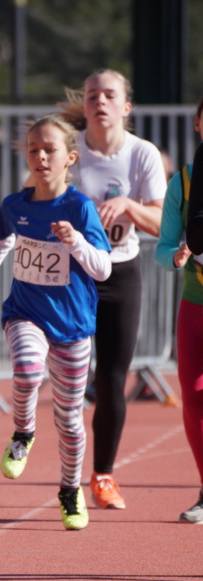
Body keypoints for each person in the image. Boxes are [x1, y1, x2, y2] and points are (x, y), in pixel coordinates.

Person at [0, 115, 111, 530]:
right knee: (28, 370)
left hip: (72, 324)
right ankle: (23, 433)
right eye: (33, 150)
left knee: (70, 420)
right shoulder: (15, 206)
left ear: (70, 158)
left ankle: (70, 490)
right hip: (25, 312)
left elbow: (103, 269)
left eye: (50, 149)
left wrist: (76, 241)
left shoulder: (79, 208)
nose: (41, 157)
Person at [58, 69, 167, 510]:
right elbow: (36, 196)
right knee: (66, 375)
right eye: (92, 95)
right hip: (72, 275)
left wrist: (128, 205)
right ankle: (49, 456)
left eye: (109, 95)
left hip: (120, 273)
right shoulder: (68, 152)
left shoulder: (142, 154)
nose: (99, 101)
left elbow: (162, 222)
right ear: (84, 106)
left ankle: (102, 476)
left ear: (126, 106)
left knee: (111, 378)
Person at [157, 99, 203, 523]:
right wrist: (176, 255)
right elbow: (163, 247)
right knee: (193, 400)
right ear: (198, 124)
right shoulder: (184, 182)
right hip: (196, 303)